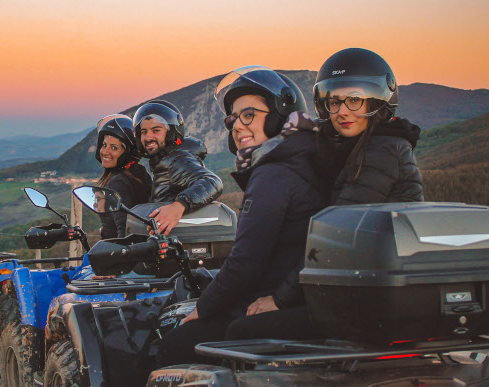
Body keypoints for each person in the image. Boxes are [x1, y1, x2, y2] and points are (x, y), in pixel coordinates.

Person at [228, 48, 424, 340]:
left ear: (379, 101)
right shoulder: (352, 148)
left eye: (354, 100)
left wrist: (280, 299)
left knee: (241, 333)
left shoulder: (381, 152)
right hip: (360, 288)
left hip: (371, 301)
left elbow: (333, 235)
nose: (343, 110)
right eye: (334, 101)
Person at [159, 66, 327, 365]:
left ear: (278, 118)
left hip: (271, 303)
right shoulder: (303, 161)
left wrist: (203, 308)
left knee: (170, 347)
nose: (236, 126)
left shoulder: (273, 173)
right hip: (297, 299)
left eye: (249, 115)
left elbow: (246, 261)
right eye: (233, 118)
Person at [132, 100, 223, 235]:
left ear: (171, 134)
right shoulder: (166, 161)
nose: (148, 137)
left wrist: (178, 206)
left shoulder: (177, 160)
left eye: (156, 130)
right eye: (144, 132)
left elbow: (212, 182)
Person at [94, 114, 152, 239]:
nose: (105, 152)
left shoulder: (117, 183)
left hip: (118, 252)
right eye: (104, 145)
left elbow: (125, 230)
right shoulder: (140, 173)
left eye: (114, 147)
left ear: (127, 152)